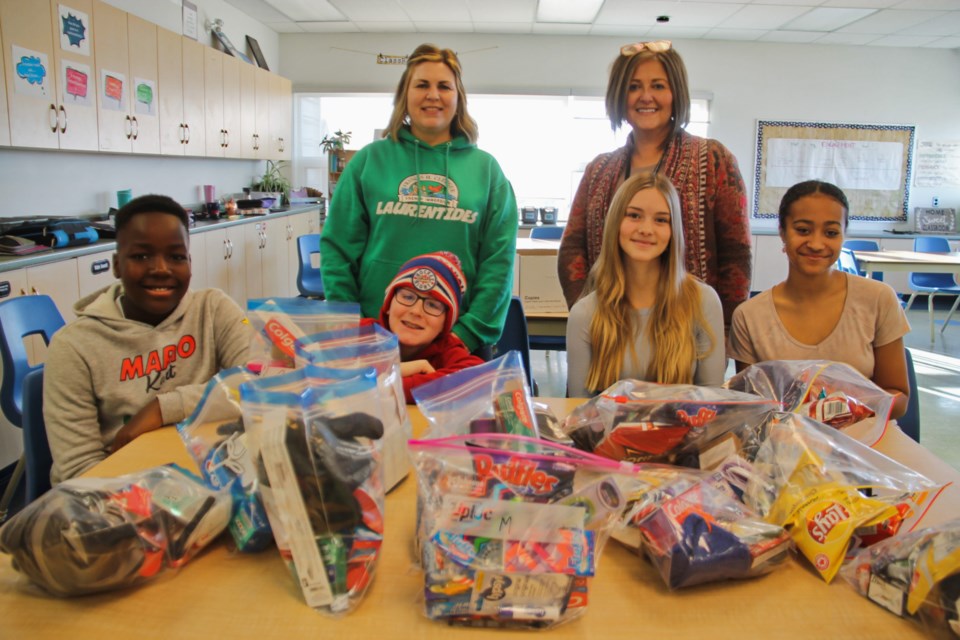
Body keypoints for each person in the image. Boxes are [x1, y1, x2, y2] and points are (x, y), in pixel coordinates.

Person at [321, 43, 518, 355]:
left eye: (444, 86)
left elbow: (499, 263)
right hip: (374, 338)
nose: (433, 95)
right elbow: (337, 251)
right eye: (422, 85)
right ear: (405, 95)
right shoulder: (369, 161)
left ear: (458, 97)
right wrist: (353, 325)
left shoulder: (487, 170)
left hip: (458, 342)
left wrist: (467, 334)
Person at [44, 195, 253, 482]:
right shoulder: (73, 347)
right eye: (141, 256)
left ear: (190, 263)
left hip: (213, 472)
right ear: (117, 265)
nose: (161, 269)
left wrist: (162, 408)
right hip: (120, 494)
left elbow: (255, 382)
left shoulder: (214, 310)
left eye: (176, 256)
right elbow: (80, 473)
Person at [558, 40, 751, 329]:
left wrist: (720, 330)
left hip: (689, 333)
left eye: (658, 86)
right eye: (633, 87)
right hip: (611, 331)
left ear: (676, 93)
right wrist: (587, 315)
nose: (645, 97)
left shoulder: (713, 160)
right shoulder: (599, 169)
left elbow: (736, 256)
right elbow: (573, 250)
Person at [727, 180, 910, 418]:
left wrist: (848, 409)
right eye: (802, 230)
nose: (816, 243)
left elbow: (899, 398)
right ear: (782, 231)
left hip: (865, 440)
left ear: (844, 234)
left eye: (831, 233)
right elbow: (753, 406)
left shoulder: (878, 299)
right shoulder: (750, 316)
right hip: (785, 443)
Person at [566, 173, 725, 398]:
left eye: (661, 220)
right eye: (634, 215)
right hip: (610, 433)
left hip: (682, 432)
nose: (646, 229)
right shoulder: (584, 314)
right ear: (615, 222)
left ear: (673, 231)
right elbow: (580, 412)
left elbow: (711, 402)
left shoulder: (704, 301)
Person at [372, 251, 484, 402]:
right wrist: (401, 369)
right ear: (388, 305)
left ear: (445, 323)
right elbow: (332, 375)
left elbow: (479, 377)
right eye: (407, 297)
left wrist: (386, 386)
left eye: (433, 305)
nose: (416, 311)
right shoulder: (364, 334)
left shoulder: (446, 349)